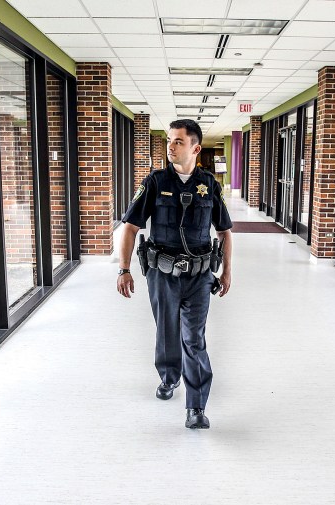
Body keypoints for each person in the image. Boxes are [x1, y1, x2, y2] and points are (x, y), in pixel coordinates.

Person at [116, 119, 233, 429]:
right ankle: (169, 378)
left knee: (194, 340)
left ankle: (196, 408)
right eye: (170, 140)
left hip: (199, 277)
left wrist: (227, 272)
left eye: (178, 141)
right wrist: (124, 269)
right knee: (167, 335)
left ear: (195, 148)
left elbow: (224, 231)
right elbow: (130, 228)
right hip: (162, 275)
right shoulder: (155, 182)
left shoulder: (208, 184)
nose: (171, 146)